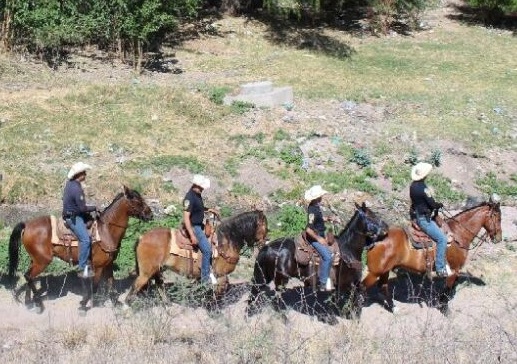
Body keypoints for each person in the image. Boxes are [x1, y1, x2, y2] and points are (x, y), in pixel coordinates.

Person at [409, 162, 449, 278]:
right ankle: (440, 267)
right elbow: (432, 204)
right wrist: (439, 205)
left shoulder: (412, 186)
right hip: (424, 220)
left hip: (416, 215)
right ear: (425, 175)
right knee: (442, 239)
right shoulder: (424, 188)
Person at [62, 162, 97, 279]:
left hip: (70, 213)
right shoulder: (77, 189)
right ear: (79, 175)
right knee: (86, 240)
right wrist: (94, 207)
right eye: (84, 173)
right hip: (74, 217)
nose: (85, 174)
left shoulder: (69, 184)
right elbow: (82, 208)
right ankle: (82, 267)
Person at [183, 174, 219, 284]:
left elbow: (198, 207)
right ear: (196, 186)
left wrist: (209, 209)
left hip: (199, 225)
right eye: (202, 187)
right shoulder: (189, 197)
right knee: (207, 250)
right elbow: (186, 218)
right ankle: (205, 279)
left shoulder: (197, 195)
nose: (203, 189)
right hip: (194, 227)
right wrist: (192, 235)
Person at [304, 185, 333, 291]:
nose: (322, 197)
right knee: (327, 257)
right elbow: (308, 229)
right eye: (321, 195)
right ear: (317, 197)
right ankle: (323, 282)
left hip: (320, 234)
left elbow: (319, 219)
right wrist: (318, 239)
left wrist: (328, 218)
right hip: (314, 239)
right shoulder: (312, 210)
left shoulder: (316, 207)